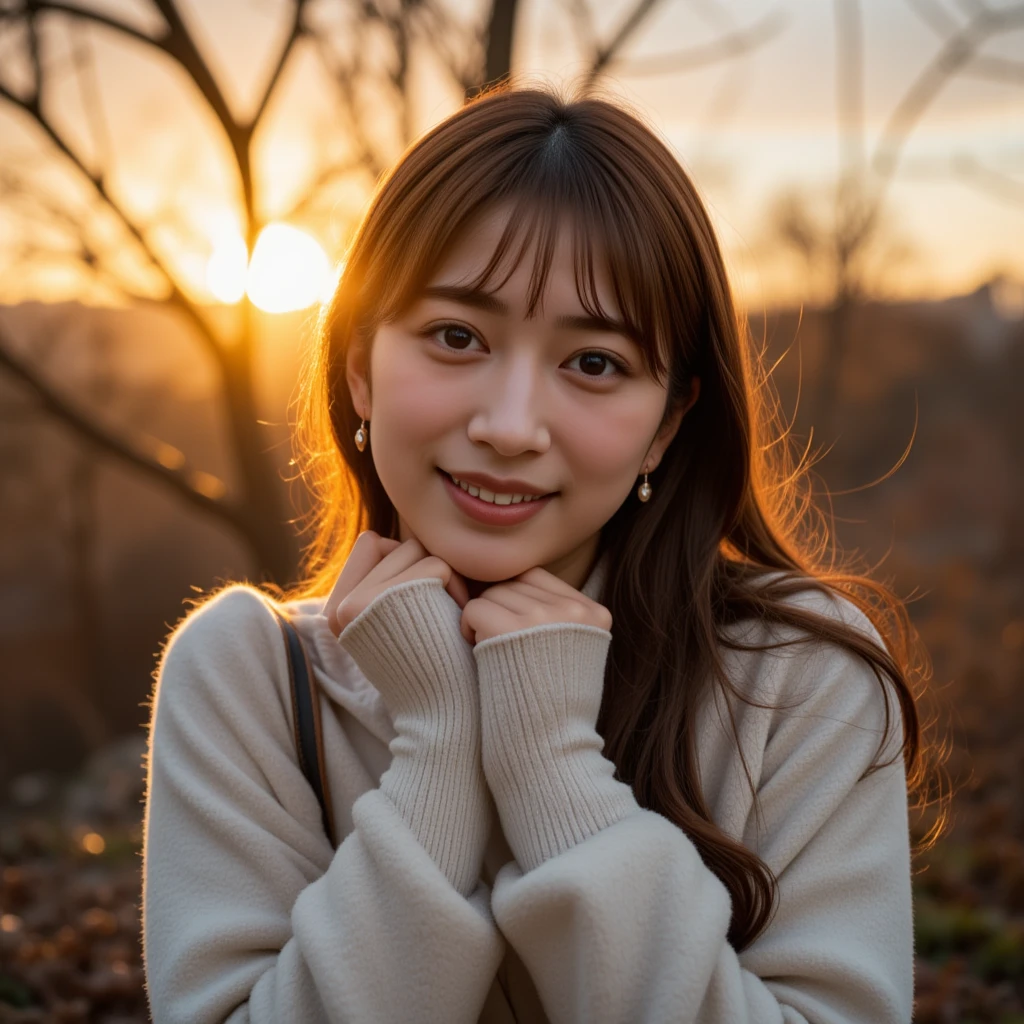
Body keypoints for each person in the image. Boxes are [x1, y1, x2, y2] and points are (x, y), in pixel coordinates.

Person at [141, 83, 931, 1023]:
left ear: (668, 423)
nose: (511, 426)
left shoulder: (800, 679)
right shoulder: (248, 676)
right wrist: (435, 751)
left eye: (593, 362)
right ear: (360, 366)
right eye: (456, 336)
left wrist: (555, 766)